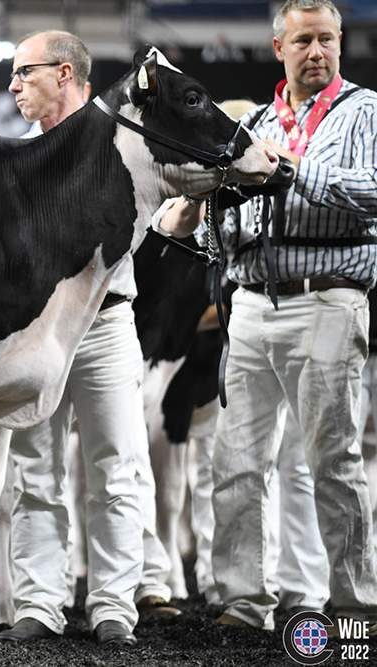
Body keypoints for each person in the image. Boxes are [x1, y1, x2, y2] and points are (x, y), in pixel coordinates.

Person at [157, 0, 377, 632]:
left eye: (328, 39)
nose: (317, 51)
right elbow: (227, 227)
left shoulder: (365, 110)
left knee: (332, 463)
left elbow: (370, 193)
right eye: (304, 39)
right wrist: (196, 219)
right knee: (236, 464)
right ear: (278, 47)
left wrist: (294, 170)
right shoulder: (253, 122)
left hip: (328, 296)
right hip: (250, 306)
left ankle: (355, 608)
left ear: (341, 44)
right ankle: (244, 604)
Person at [0, 30, 175, 649]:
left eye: (25, 71)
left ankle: (113, 608)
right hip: (34, 332)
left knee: (118, 467)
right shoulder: (16, 158)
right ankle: (40, 605)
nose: (14, 83)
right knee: (33, 472)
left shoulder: (125, 147)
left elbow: (160, 224)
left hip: (104, 324)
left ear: (67, 73)